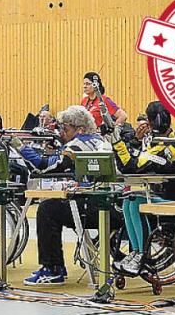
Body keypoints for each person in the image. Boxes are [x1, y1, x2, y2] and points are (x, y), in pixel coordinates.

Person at [22, 105, 113, 285]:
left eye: (66, 128)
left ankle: (53, 269)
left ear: (79, 129)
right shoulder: (100, 140)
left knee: (47, 210)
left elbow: (44, 166)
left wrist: (21, 148)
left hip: (94, 207)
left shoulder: (76, 144)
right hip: (111, 204)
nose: (62, 132)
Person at [108, 101, 175, 275]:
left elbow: (131, 166)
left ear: (149, 123)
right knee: (129, 200)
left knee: (135, 201)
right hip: (169, 195)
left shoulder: (168, 146)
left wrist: (117, 141)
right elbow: (139, 163)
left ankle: (141, 255)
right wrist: (136, 141)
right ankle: (136, 252)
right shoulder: (163, 140)